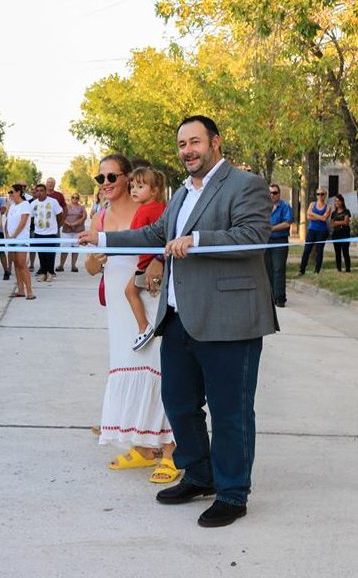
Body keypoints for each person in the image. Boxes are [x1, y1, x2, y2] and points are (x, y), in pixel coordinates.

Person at [79, 116, 278, 527]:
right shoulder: (183, 191)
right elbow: (156, 234)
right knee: (179, 403)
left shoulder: (245, 185)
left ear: (215, 143)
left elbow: (254, 236)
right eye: (182, 144)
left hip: (229, 319)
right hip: (177, 318)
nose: (187, 150)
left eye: (195, 142)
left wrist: (197, 241)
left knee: (230, 411)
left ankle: (232, 493)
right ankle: (199, 474)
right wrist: (102, 240)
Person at [80, 154, 178, 488]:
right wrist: (98, 255)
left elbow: (167, 246)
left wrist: (158, 262)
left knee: (157, 367)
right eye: (100, 179)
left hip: (147, 296)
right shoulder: (101, 216)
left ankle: (170, 451)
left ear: (128, 178)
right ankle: (142, 447)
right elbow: (91, 269)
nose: (105, 184)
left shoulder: (147, 208)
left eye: (112, 177)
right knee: (126, 365)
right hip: (119, 303)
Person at [125, 167, 168, 351]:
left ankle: (144, 327)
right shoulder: (163, 208)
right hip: (162, 260)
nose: (134, 190)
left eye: (140, 186)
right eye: (132, 186)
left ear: (154, 191)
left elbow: (134, 236)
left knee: (129, 292)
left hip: (146, 263)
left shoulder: (144, 211)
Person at [4, 184, 34, 300]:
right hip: (11, 239)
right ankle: (21, 290)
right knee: (16, 264)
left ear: (18, 192)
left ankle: (29, 291)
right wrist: (7, 234)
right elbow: (7, 221)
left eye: (11, 192)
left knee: (22, 264)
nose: (10, 195)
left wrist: (15, 235)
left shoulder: (25, 205)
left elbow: (23, 222)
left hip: (21, 239)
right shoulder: (12, 206)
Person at [265, 184, 293, 307]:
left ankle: (280, 298)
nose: (272, 195)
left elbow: (287, 223)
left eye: (275, 193)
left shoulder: (285, 206)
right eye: (270, 193)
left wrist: (272, 228)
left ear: (279, 194)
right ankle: (270, 297)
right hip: (265, 241)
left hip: (279, 241)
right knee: (267, 269)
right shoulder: (264, 207)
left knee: (278, 269)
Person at [31, 183, 63, 282]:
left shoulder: (53, 202)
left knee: (49, 254)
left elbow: (59, 214)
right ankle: (43, 273)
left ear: (45, 192)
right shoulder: (33, 204)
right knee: (41, 254)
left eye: (41, 190)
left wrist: (57, 226)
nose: (39, 193)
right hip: (38, 233)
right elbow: (31, 217)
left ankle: (50, 272)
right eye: (37, 191)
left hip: (51, 233)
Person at [299, 187, 331, 275]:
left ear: (325, 195)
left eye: (322, 194)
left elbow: (324, 218)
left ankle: (317, 271)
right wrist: (319, 216)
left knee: (319, 250)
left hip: (322, 231)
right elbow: (308, 216)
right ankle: (302, 270)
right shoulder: (312, 204)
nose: (320, 196)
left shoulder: (328, 207)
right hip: (312, 229)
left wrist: (313, 214)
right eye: (318, 194)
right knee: (307, 250)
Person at [58, 193, 88, 273]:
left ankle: (73, 265)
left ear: (78, 199)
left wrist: (75, 224)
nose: (75, 199)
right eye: (73, 197)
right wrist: (68, 223)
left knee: (75, 247)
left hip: (77, 230)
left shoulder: (82, 207)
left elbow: (84, 217)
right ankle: (61, 265)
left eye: (76, 197)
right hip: (67, 230)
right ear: (71, 198)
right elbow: (62, 216)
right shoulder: (66, 207)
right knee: (64, 248)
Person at [330, 194, 352, 273]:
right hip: (336, 234)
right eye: (335, 201)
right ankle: (338, 268)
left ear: (342, 202)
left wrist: (337, 222)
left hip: (345, 234)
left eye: (338, 201)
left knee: (345, 251)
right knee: (337, 252)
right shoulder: (333, 213)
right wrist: (340, 222)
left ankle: (348, 269)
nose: (337, 202)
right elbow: (332, 224)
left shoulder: (347, 211)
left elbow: (346, 222)